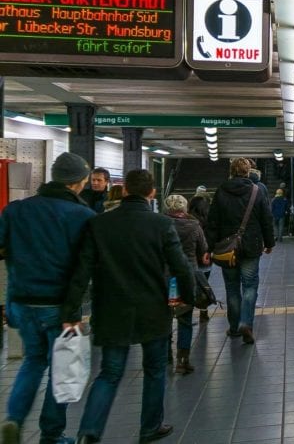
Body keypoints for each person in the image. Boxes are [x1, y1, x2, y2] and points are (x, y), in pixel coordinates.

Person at [62, 169, 192, 444]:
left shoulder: (99, 224)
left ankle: (89, 430)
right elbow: (181, 267)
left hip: (110, 308)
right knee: (155, 370)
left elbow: (81, 271)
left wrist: (71, 311)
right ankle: (150, 427)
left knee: (109, 373)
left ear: (122, 191)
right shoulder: (161, 224)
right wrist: (189, 299)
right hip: (152, 308)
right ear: (152, 192)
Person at [0, 152, 95, 444]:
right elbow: (85, 265)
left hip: (23, 300)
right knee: (61, 369)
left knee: (33, 360)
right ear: (80, 182)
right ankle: (52, 434)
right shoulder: (83, 216)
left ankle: (14, 418)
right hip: (59, 305)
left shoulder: (15, 210)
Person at [207, 157, 274, 345]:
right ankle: (246, 323)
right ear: (248, 172)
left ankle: (234, 327)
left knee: (232, 288)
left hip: (227, 249)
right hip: (251, 247)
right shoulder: (257, 191)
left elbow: (212, 222)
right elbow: (266, 218)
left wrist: (208, 247)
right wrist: (269, 242)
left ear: (231, 171)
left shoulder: (221, 191)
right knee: (250, 286)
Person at [164, 194, 209, 374]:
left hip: (164, 276)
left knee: (165, 315)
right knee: (185, 318)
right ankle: (183, 359)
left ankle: (166, 352)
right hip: (187, 275)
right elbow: (203, 249)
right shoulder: (194, 225)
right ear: (184, 208)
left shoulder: (161, 224)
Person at [187, 195, 213, 323]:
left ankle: (188, 311)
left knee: (190, 286)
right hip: (205, 258)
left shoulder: (188, 220)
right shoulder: (209, 221)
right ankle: (203, 311)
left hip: (190, 259)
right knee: (204, 285)